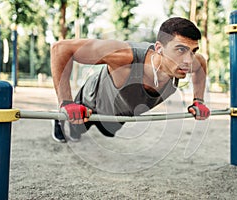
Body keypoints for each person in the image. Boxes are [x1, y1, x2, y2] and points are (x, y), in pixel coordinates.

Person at [51, 17, 210, 143]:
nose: (189, 60)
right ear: (159, 48)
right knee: (77, 128)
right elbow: (61, 48)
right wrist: (66, 102)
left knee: (107, 130)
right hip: (92, 101)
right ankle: (59, 120)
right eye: (180, 50)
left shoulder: (189, 62)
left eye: (193, 51)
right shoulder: (125, 56)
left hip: (120, 113)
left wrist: (199, 100)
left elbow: (201, 64)